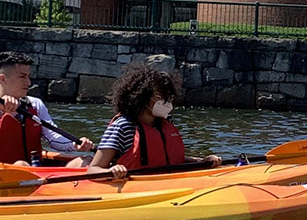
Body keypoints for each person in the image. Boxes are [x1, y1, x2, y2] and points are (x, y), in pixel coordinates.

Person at [0, 51, 93, 164]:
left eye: (28, 76)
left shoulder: (35, 104)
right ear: (3, 79)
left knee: (87, 160)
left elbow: (53, 137)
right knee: (21, 164)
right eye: (22, 76)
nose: (29, 82)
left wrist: (74, 144)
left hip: (35, 168)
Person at [91, 64, 222, 174]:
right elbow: (94, 168)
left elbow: (169, 160)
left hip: (166, 182)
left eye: (169, 97)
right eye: (160, 96)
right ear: (142, 96)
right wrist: (112, 171)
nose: (166, 102)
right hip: (134, 186)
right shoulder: (122, 126)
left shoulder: (166, 123)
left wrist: (201, 161)